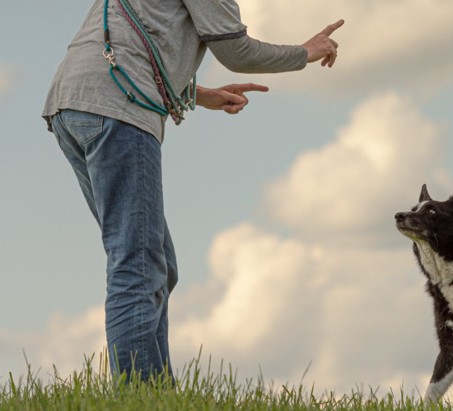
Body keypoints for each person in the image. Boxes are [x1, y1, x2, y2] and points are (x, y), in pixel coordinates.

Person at [42, 0, 344, 383]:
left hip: (74, 106)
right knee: (137, 263)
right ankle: (142, 401)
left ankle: (156, 392)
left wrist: (200, 95)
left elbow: (139, 35)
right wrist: (306, 52)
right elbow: (237, 51)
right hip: (118, 105)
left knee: (157, 263)